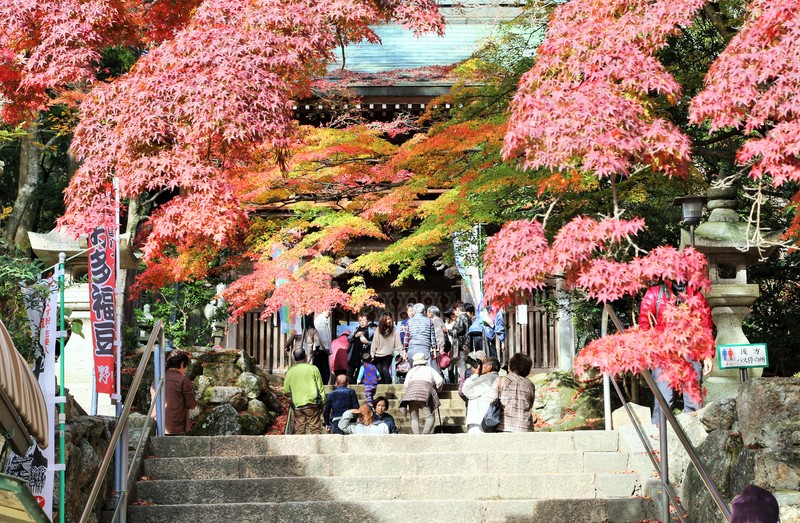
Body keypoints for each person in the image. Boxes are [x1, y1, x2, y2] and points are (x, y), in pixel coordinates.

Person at [639, 279, 713, 425]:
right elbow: (644, 326)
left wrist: (708, 355)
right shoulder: (655, 294)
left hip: (691, 352)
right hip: (663, 354)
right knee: (663, 400)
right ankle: (659, 441)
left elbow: (706, 327)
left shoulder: (696, 295)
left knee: (693, 402)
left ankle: (693, 440)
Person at [489, 352, 535, 432]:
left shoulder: (501, 380)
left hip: (505, 426)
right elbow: (530, 404)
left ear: (510, 366)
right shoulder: (530, 384)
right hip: (525, 427)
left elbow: (490, 400)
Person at [283, 348, 326, 434]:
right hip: (312, 403)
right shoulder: (313, 368)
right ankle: (316, 446)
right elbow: (320, 387)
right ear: (305, 357)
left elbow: (286, 391)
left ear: (294, 358)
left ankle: (301, 447)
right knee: (315, 428)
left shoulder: (290, 371)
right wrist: (323, 402)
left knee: (300, 428)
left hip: (298, 404)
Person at [400, 352, 443, 434]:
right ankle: (424, 435)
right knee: (430, 417)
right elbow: (440, 380)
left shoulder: (411, 371)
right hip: (425, 393)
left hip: (411, 394)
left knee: (414, 418)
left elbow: (406, 385)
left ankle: (417, 436)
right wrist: (437, 389)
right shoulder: (430, 369)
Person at [160, 350, 197, 435]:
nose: (186, 369)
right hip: (176, 427)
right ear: (182, 364)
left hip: (157, 424)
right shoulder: (183, 380)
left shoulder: (157, 380)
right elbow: (191, 404)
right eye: (186, 366)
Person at [462, 357, 500, 434]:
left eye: (483, 365)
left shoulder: (488, 378)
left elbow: (466, 390)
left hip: (479, 422)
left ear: (489, 367)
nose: (480, 367)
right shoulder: (495, 378)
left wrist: (475, 374)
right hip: (486, 420)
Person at [371, 312, 401, 384]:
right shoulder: (378, 329)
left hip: (388, 355)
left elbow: (398, 344)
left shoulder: (394, 330)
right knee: (380, 371)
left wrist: (401, 354)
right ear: (382, 320)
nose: (388, 321)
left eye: (389, 319)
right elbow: (374, 343)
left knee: (385, 369)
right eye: (386, 319)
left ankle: (389, 384)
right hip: (378, 355)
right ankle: (383, 387)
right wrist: (372, 354)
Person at [406, 303, 437, 369]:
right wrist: (434, 349)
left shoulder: (409, 322)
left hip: (412, 349)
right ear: (424, 312)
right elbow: (433, 337)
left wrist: (405, 351)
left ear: (414, 312)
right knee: (426, 369)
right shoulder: (429, 321)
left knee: (413, 370)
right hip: (425, 348)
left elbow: (406, 338)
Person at [347, 314, 373, 383]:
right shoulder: (355, 329)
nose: (362, 322)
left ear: (367, 321)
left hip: (364, 355)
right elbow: (349, 339)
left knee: (361, 373)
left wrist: (367, 342)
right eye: (360, 320)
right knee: (350, 372)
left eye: (364, 320)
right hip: (354, 354)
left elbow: (374, 343)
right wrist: (355, 335)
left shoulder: (371, 331)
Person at [428, 306, 450, 380]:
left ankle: (443, 381)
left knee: (437, 366)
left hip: (438, 348)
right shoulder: (439, 320)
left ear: (431, 313)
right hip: (439, 347)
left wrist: (441, 348)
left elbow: (439, 335)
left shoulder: (435, 320)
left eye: (428, 313)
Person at [313, 311, 333, 384]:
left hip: (323, 349)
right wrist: (326, 347)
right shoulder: (320, 320)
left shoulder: (324, 320)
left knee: (324, 370)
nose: (330, 312)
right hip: (321, 349)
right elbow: (321, 334)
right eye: (328, 310)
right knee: (323, 370)